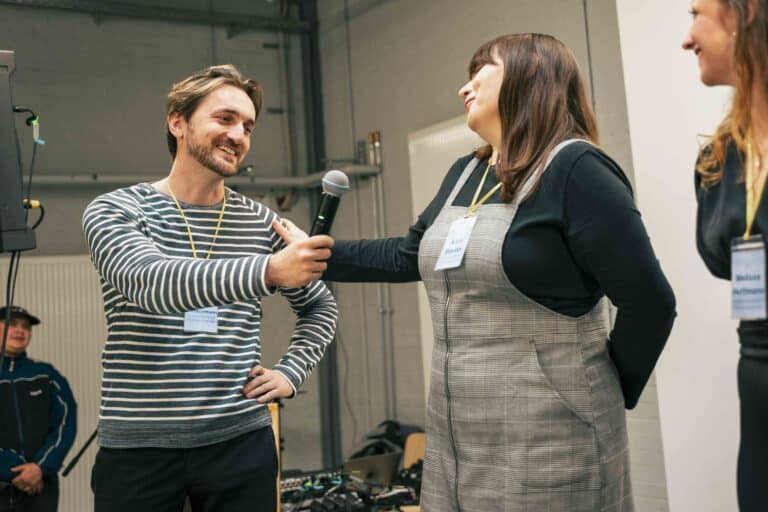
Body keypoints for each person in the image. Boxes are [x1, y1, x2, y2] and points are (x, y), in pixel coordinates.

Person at [278, 33, 676, 511]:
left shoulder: (578, 169)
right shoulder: (467, 172)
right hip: (458, 432)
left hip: (550, 427)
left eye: (478, 72)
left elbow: (651, 303)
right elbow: (410, 255)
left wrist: (602, 388)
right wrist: (320, 255)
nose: (463, 88)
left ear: (528, 75)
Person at [81, 64, 338, 512]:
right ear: (177, 122)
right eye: (224, 119)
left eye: (248, 126)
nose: (238, 134)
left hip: (239, 443)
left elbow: (320, 309)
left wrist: (290, 374)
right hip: (139, 450)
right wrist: (270, 270)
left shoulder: (259, 222)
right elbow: (149, 283)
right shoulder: (117, 210)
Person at [684, 1, 768, 509]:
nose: (687, 38)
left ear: (745, 13)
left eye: (696, 14)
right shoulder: (720, 158)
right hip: (756, 383)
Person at [0, 306, 77, 512]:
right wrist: (11, 470)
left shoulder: (47, 375)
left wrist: (40, 467)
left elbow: (66, 423)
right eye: (11, 323)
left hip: (41, 487)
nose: (19, 330)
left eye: (26, 326)